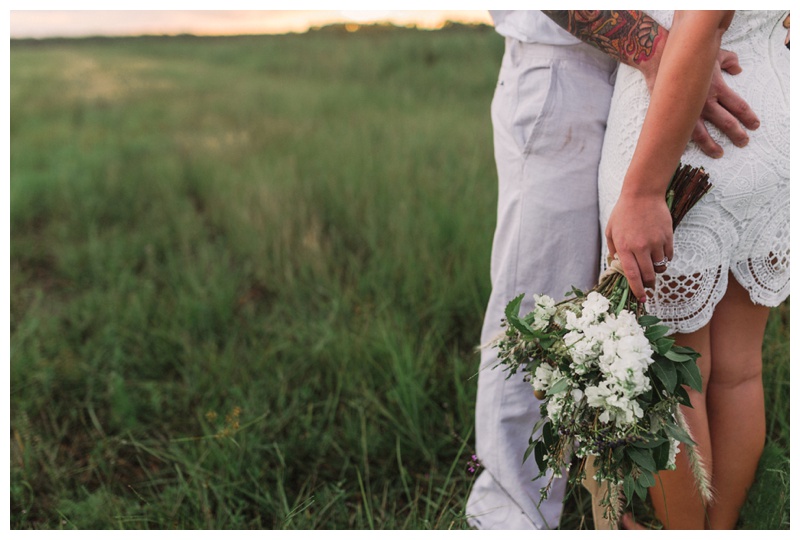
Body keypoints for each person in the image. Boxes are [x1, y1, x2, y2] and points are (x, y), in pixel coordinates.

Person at [466, 10, 760, 530]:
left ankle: (625, 500)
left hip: (694, 63)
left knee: (654, 325)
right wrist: (660, 53)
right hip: (575, 64)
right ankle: (511, 512)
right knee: (541, 294)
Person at [597, 10, 789, 529]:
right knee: (738, 371)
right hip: (764, 114)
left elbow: (702, 20)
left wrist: (641, 189)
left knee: (673, 377)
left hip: (679, 135)